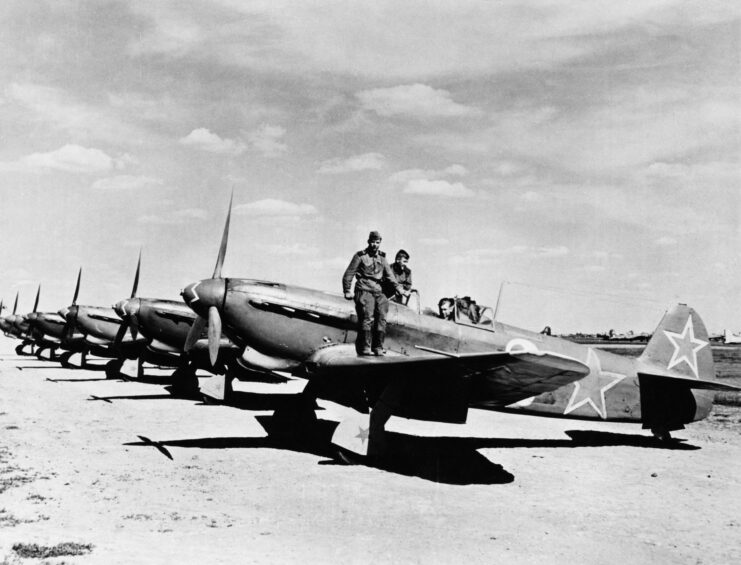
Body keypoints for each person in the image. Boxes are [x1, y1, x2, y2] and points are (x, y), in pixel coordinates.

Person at [342, 231, 409, 356]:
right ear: (368, 242)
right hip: (364, 288)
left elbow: (390, 276)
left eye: (377, 242)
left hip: (378, 290)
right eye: (372, 242)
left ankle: (378, 347)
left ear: (380, 243)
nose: (374, 245)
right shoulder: (360, 256)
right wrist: (347, 290)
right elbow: (349, 274)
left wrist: (399, 289)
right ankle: (365, 347)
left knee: (381, 318)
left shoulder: (382, 258)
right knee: (367, 318)